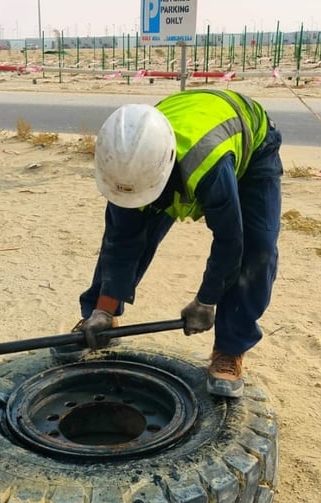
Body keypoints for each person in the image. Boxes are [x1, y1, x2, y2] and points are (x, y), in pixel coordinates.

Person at [52, 89, 283, 398]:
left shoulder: (207, 167)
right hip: (173, 134)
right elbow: (121, 242)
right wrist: (103, 310)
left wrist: (206, 300)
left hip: (250, 141)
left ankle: (230, 350)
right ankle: (101, 316)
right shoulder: (122, 162)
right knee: (127, 228)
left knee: (259, 248)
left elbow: (230, 241)